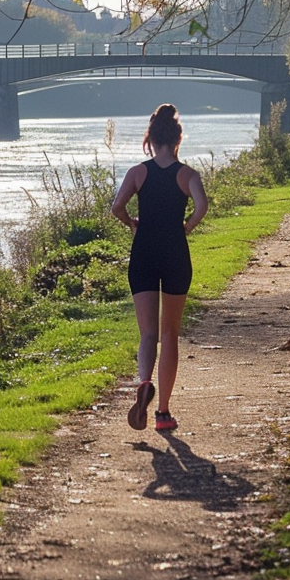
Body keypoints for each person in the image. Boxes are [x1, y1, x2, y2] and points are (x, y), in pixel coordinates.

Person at [110, 104, 208, 432]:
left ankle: (142, 382)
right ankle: (163, 413)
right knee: (169, 334)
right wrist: (187, 227)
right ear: (177, 140)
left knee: (148, 333)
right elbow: (202, 206)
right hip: (175, 253)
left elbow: (117, 207)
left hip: (144, 253)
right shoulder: (187, 175)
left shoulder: (138, 173)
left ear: (150, 139)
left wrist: (132, 224)